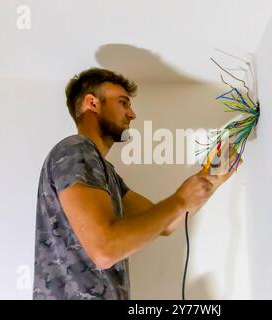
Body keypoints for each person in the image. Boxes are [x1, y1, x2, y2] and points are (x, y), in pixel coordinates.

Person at [33, 67, 241, 300]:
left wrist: (212, 178)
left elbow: (164, 224)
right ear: (92, 103)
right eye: (123, 103)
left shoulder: (106, 172)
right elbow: (105, 249)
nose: (132, 114)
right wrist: (180, 199)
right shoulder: (76, 149)